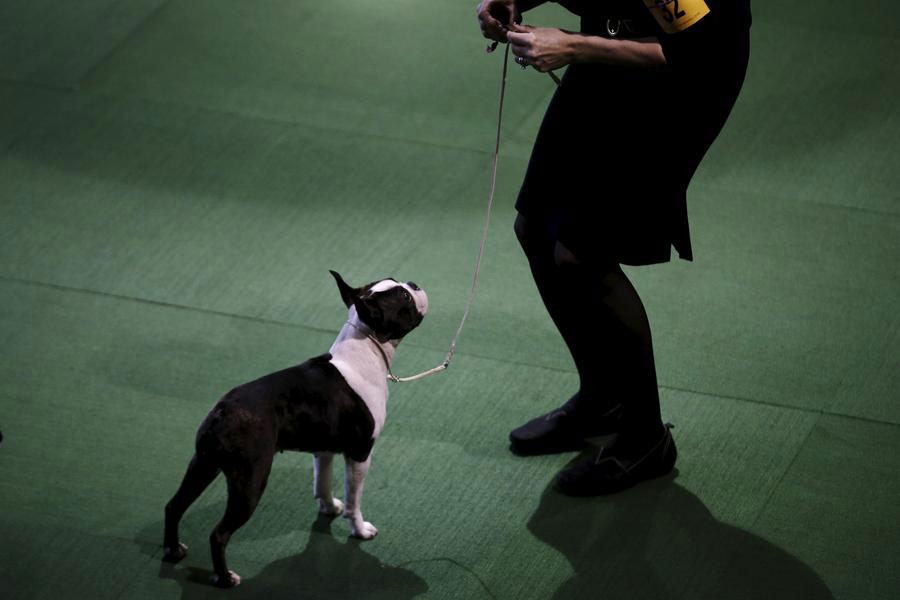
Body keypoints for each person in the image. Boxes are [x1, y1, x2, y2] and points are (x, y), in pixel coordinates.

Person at [475, 0, 751, 495]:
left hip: (682, 81)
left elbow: (694, 56)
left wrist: (573, 44)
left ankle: (646, 438)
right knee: (534, 227)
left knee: (581, 257)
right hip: (606, 47)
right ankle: (602, 400)